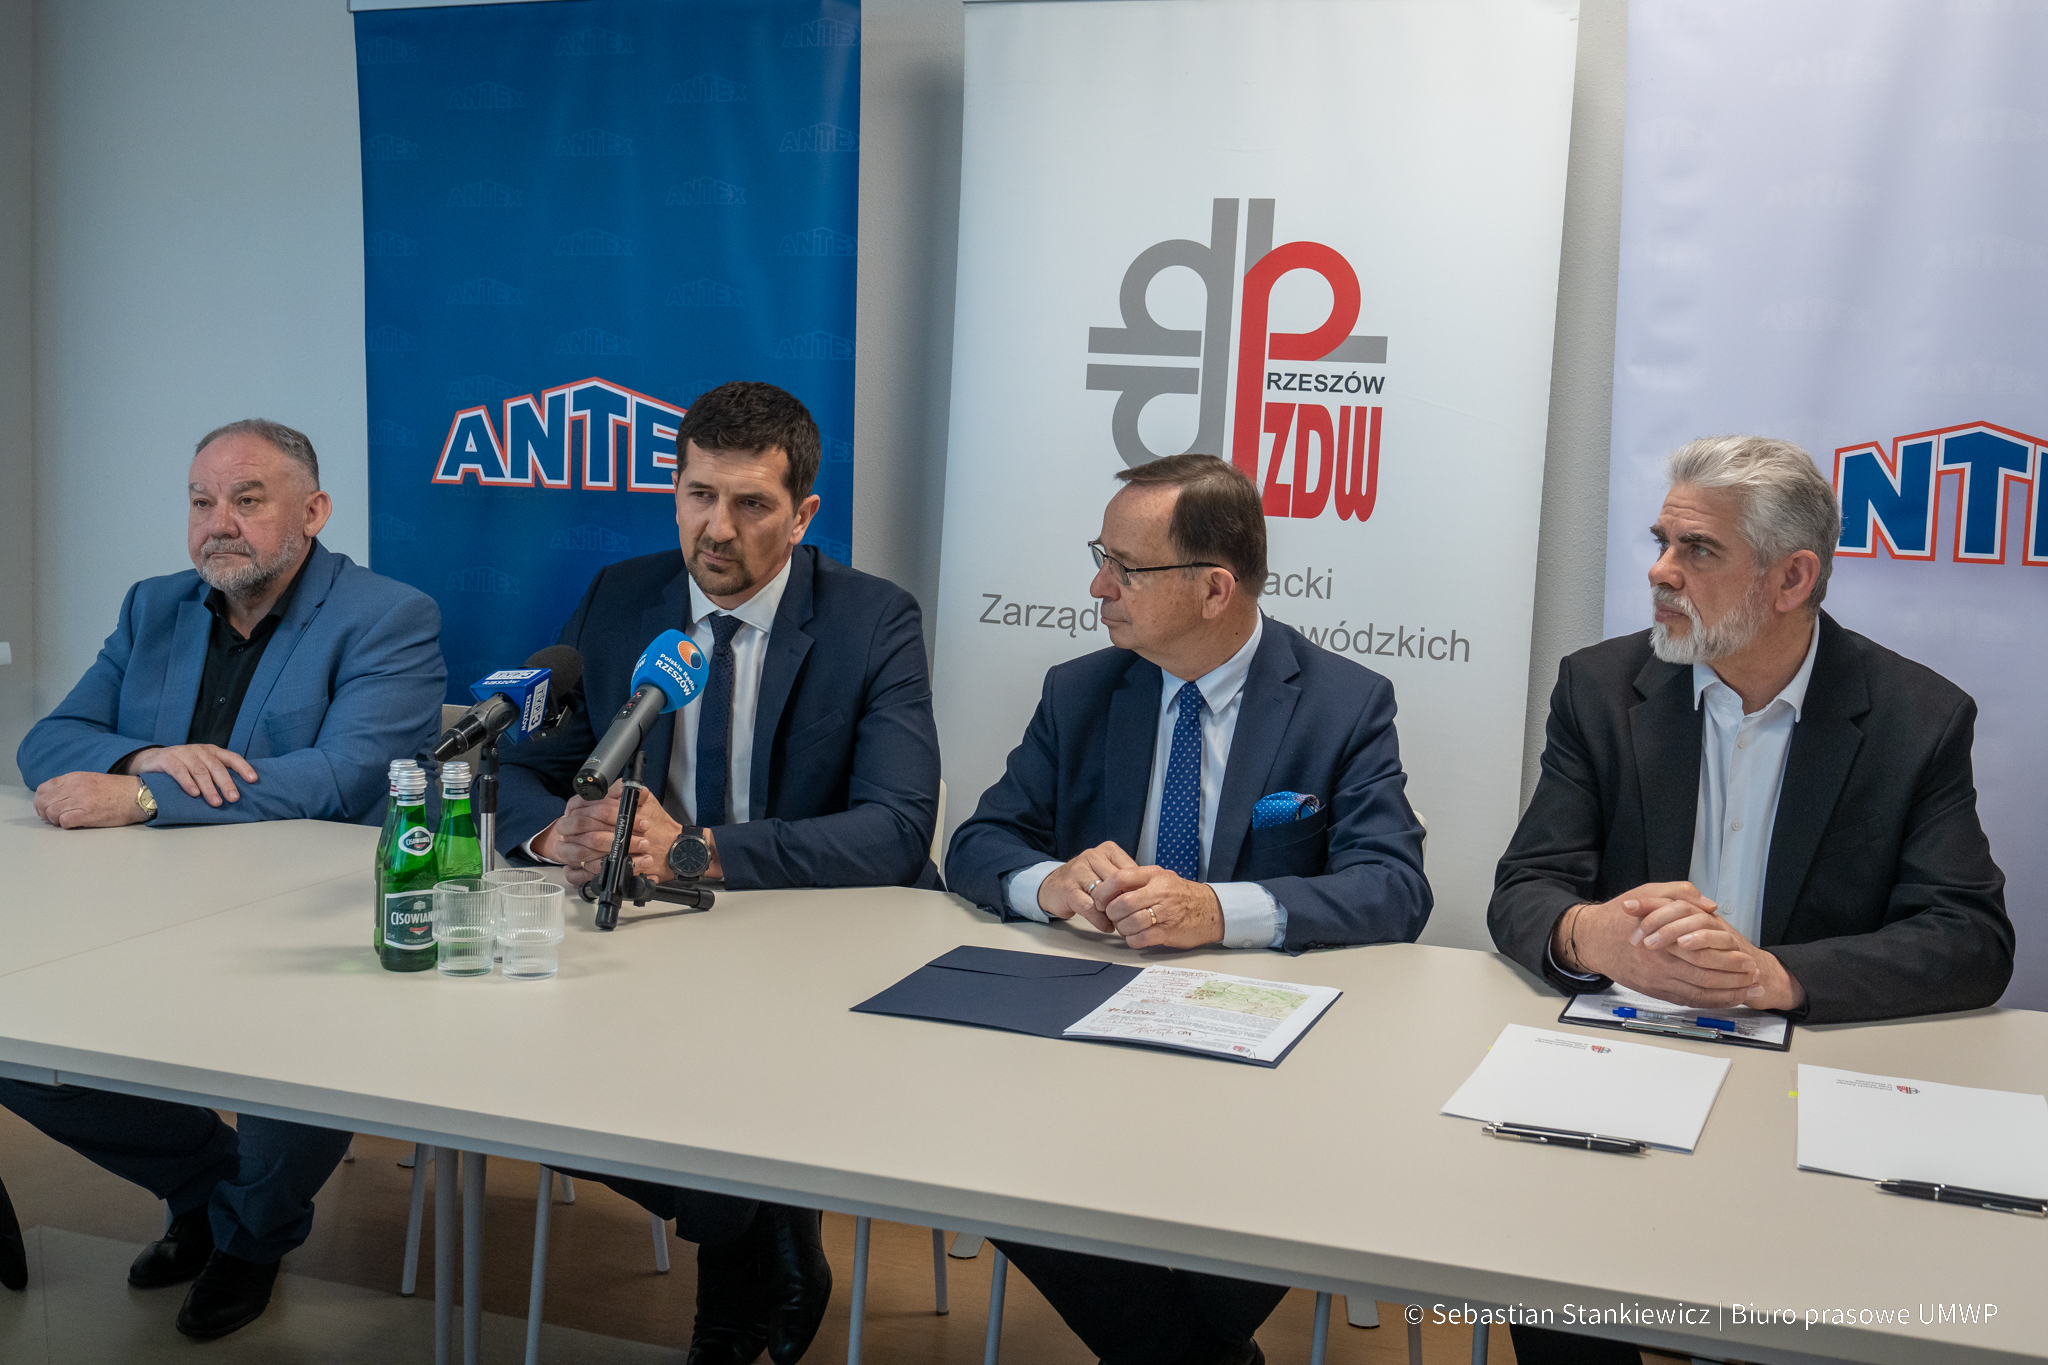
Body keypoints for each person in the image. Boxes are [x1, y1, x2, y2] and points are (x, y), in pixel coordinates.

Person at [1490, 435, 2012, 1365]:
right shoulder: (1599, 689)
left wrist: (1776, 975)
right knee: (1544, 1264)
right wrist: (1593, 934)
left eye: (1698, 549)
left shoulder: (1917, 718)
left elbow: (1970, 936)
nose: (1660, 570)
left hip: (1806, 1078)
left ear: (1791, 578)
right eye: (1662, 541)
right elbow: (1525, 888)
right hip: (1627, 1057)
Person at [947, 453, 1430, 1365]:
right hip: (1085, 1034)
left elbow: (1394, 887)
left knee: (1309, 1175)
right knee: (981, 1150)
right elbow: (977, 844)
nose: (1099, 586)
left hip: (1267, 1055)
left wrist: (1216, 909)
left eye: (1125, 567)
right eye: (1102, 558)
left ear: (1214, 589)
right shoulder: (1083, 690)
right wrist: (1046, 883)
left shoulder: (1341, 703)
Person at [496, 380, 941, 1365]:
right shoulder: (621, 599)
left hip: (811, 950)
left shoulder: (873, 620)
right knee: (519, 1077)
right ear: (675, 491)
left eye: (751, 504)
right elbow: (521, 767)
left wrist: (694, 851)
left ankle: (732, 1298)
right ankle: (766, 1221)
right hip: (648, 946)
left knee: (730, 1088)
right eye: (699, 495)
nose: (719, 528)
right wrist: (555, 835)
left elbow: (897, 830)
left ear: (803, 514)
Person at [5, 419, 445, 1340]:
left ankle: (252, 1237)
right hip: (144, 908)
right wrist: (144, 754)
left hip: (301, 924)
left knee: (298, 1060)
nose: (218, 523)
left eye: (248, 500)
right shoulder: (153, 606)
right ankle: (208, 1187)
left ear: (313, 512)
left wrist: (143, 797)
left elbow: (343, 776)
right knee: (21, 1046)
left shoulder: (389, 615)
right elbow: (48, 741)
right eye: (202, 501)